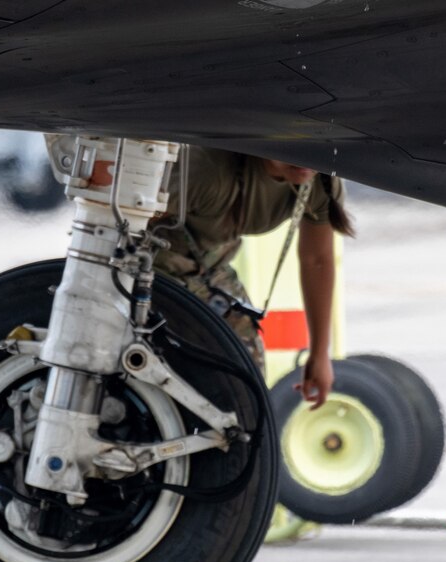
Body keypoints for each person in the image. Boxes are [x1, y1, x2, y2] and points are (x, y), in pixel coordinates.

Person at [152, 146, 356, 408]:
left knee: (245, 373)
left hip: (207, 270)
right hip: (145, 263)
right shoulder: (206, 170)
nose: (306, 161)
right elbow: (123, 223)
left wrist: (319, 354)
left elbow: (316, 260)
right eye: (293, 146)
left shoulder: (319, 181)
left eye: (315, 144)